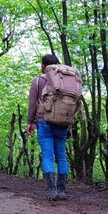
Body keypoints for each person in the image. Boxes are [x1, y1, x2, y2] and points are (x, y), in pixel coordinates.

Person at [27, 54, 69, 200]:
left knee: (48, 156)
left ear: (44, 66)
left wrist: (30, 122)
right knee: (61, 157)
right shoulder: (65, 79)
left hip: (44, 121)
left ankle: (53, 191)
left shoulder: (38, 81)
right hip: (63, 123)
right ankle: (62, 191)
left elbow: (32, 104)